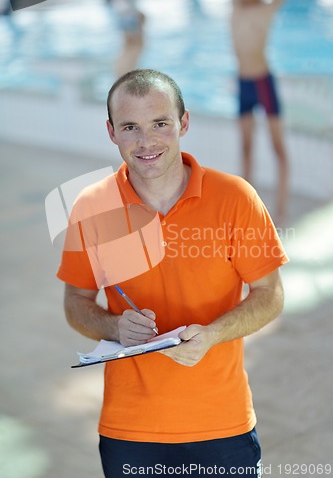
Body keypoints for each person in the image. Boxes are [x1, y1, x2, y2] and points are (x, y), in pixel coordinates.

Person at [57, 69, 288, 477]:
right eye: (131, 127)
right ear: (111, 132)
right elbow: (75, 302)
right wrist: (113, 327)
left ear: (183, 122)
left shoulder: (235, 198)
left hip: (222, 422)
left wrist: (213, 334)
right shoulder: (91, 206)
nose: (146, 142)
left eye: (160, 124)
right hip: (129, 429)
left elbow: (269, 293)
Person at [231, 0, 296, 226]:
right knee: (246, 147)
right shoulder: (235, 7)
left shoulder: (265, 10)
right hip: (243, 84)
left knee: (277, 148)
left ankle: (281, 210)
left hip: (262, 83)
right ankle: (245, 205)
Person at [105, 0, 145, 77]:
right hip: (127, 13)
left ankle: (124, 76)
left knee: (131, 45)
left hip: (125, 11)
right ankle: (124, 76)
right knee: (134, 44)